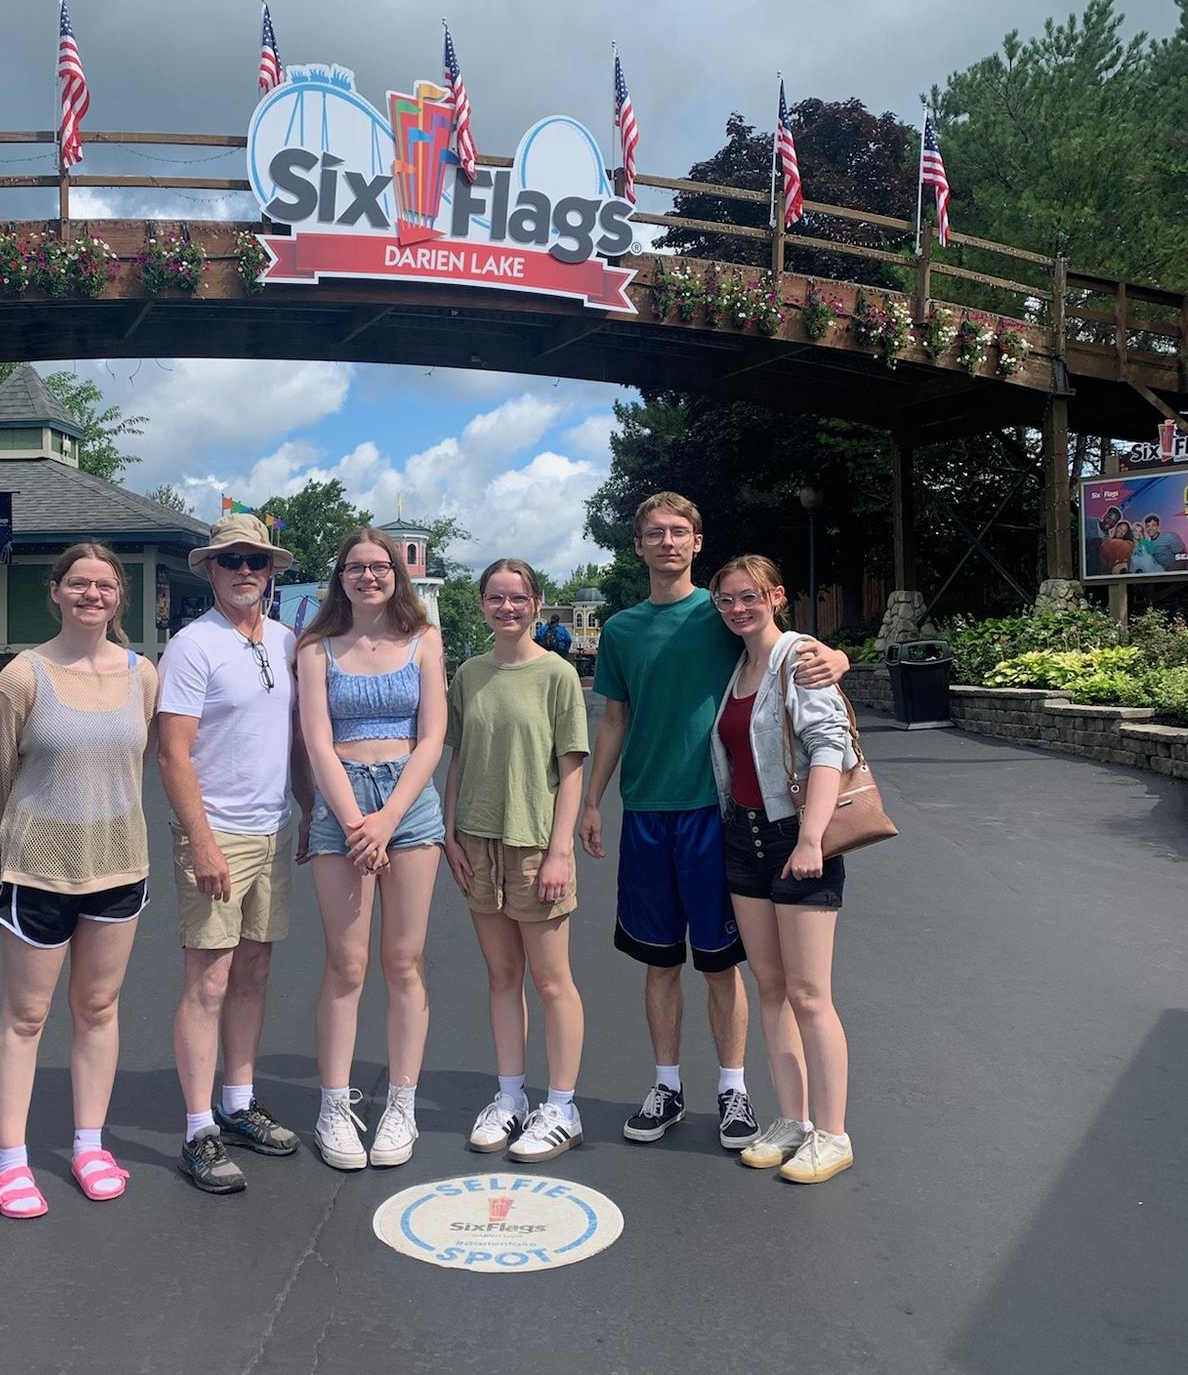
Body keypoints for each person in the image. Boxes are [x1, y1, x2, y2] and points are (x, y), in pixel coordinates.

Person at [580, 492, 848, 1152]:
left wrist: (835, 657)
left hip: (715, 813)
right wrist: (591, 801)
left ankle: (733, 1090)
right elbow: (613, 719)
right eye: (654, 533)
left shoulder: (722, 611)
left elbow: (783, 646)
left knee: (721, 964)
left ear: (697, 542)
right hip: (647, 811)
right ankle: (667, 1087)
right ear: (638, 545)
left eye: (679, 532)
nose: (667, 542)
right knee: (658, 961)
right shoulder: (621, 630)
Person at [0, 542, 158, 1219]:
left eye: (104, 585)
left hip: (119, 863)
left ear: (119, 597)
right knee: (26, 1016)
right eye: (78, 583)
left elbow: (134, 762)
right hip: (38, 870)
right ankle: (10, 1162)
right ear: (56, 591)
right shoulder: (22, 677)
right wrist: (39, 832)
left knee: (98, 1009)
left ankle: (89, 1146)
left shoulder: (142, 675)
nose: (91, 595)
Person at [157, 513, 313, 1195]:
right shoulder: (193, 646)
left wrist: (308, 810)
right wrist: (201, 842)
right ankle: (198, 1130)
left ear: (272, 571)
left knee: (253, 971)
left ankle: (238, 1101)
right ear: (212, 572)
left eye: (256, 560)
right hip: (216, 832)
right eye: (232, 561)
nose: (245, 570)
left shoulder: (284, 641)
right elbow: (172, 753)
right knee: (210, 981)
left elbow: (293, 739)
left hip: (273, 829)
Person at [297, 527, 448, 1170]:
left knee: (404, 961)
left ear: (397, 574)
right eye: (356, 567)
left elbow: (433, 736)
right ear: (341, 577)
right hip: (343, 805)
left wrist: (387, 820)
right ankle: (334, 1104)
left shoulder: (424, 640)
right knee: (347, 963)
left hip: (407, 805)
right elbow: (316, 740)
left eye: (380, 566)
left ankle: (402, 1103)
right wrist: (357, 820)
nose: (369, 576)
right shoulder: (316, 648)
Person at [707, 554, 858, 1183]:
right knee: (771, 986)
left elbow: (829, 745)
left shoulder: (800, 658)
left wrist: (812, 837)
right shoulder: (739, 666)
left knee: (810, 994)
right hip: (743, 838)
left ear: (776, 595)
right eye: (727, 600)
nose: (738, 608)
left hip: (796, 836)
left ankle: (833, 1133)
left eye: (750, 596)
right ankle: (793, 1120)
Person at [445, 560, 590, 1161]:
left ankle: (562, 1107)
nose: (507, 608)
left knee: (552, 980)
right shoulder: (469, 674)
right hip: (478, 837)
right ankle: (510, 1097)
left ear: (536, 601)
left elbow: (571, 768)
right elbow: (458, 756)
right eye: (495, 598)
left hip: (534, 841)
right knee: (502, 976)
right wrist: (450, 832)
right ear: (482, 603)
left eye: (518, 598)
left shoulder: (557, 675)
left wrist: (560, 850)